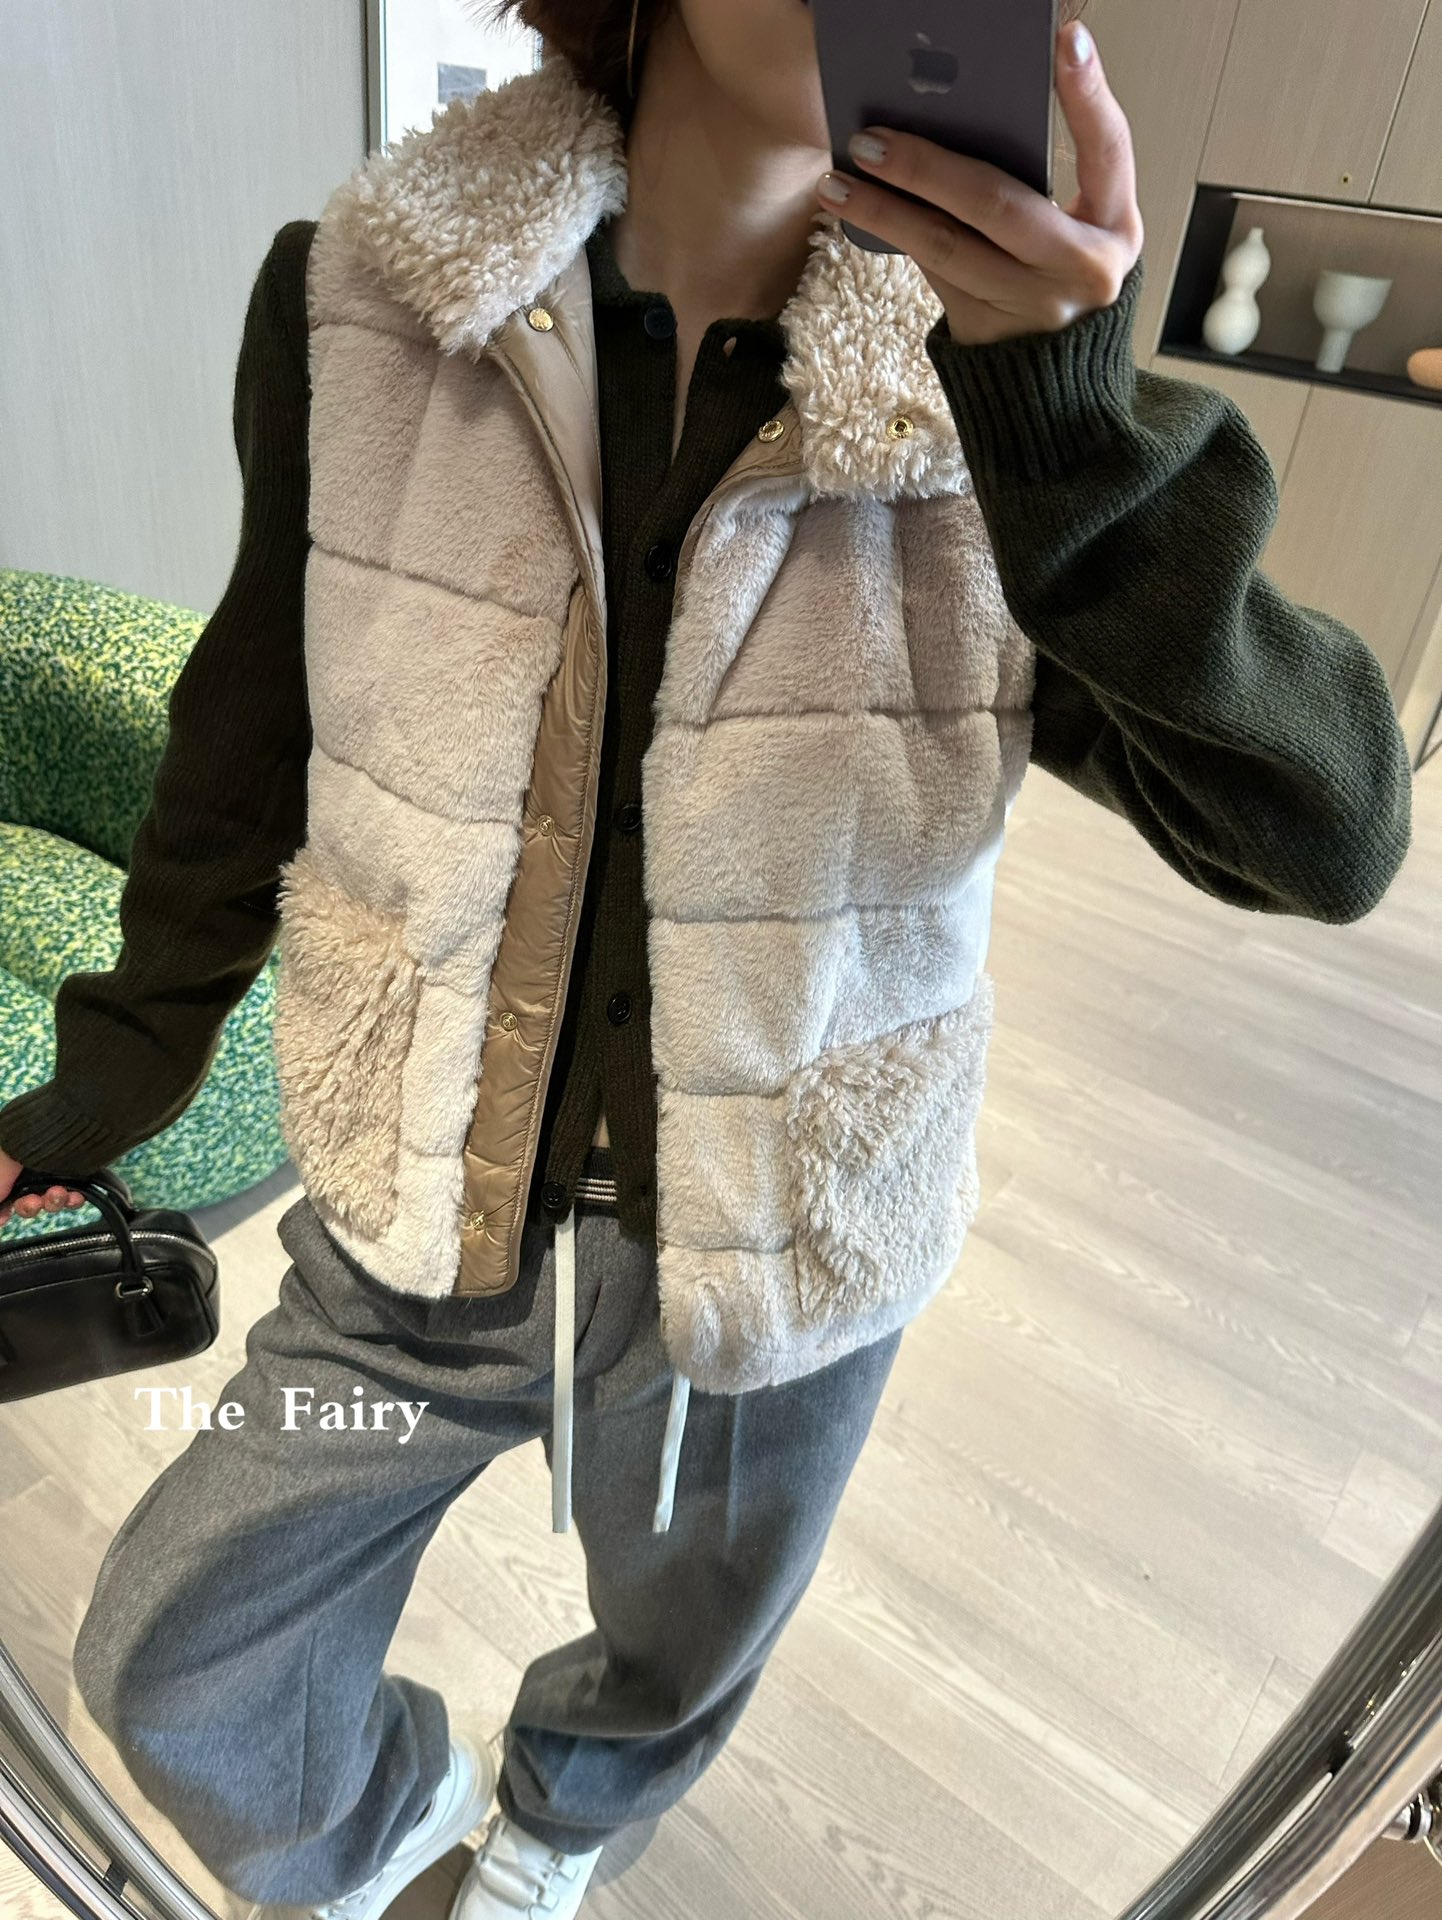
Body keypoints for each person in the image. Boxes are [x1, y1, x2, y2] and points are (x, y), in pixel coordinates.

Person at [0, 0, 1413, 1915]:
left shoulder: (1008, 410)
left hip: (781, 1243)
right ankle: (394, 1818)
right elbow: (245, 736)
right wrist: (103, 1082)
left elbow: (1323, 834)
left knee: (680, 1647)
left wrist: (1063, 433)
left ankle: (561, 1825)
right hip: (413, 1224)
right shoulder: (354, 307)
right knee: (179, 1662)